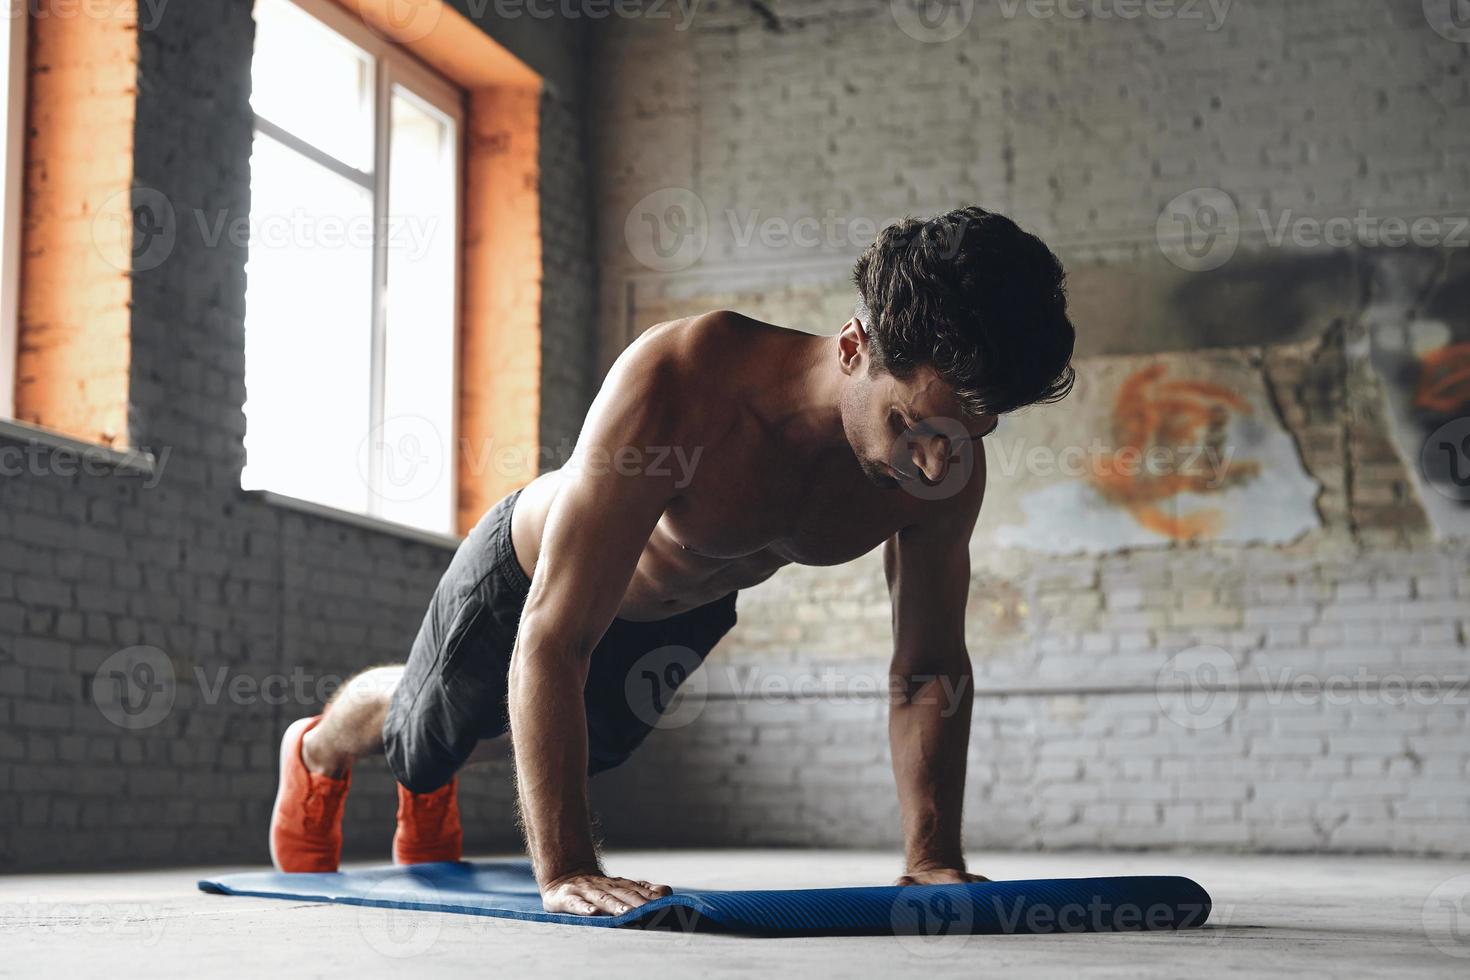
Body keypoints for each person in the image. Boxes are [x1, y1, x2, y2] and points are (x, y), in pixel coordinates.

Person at [268, 205, 1077, 916]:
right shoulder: (685, 380)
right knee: (419, 736)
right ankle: (317, 747)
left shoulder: (942, 463)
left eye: (965, 438)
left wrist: (931, 861)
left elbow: (928, 665)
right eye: (912, 426)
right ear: (855, 346)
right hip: (530, 580)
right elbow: (552, 635)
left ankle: (437, 771)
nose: (936, 467)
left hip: (679, 610)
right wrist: (568, 870)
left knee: (584, 743)